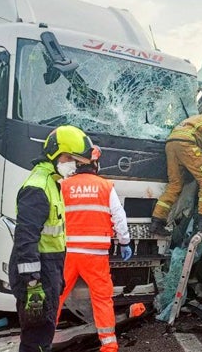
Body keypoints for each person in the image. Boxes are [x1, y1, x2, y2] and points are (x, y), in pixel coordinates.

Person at [8, 125, 92, 352]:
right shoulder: (38, 188)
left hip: (48, 268)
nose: (74, 166)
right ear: (58, 155)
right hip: (39, 273)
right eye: (71, 159)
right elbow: (26, 239)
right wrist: (32, 283)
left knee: (42, 332)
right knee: (37, 336)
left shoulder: (50, 182)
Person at [56, 144, 132, 352]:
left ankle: (42, 340)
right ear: (95, 164)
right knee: (101, 298)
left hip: (67, 252)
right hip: (95, 255)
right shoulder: (105, 186)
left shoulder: (63, 185)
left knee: (56, 295)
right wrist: (124, 242)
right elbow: (119, 217)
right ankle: (109, 345)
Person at [151, 108, 202, 234]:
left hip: (171, 143)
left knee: (175, 184)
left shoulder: (200, 118)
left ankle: (157, 222)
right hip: (187, 143)